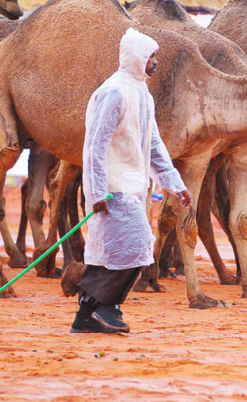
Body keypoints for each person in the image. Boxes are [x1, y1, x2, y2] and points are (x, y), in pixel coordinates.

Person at [70, 28, 192, 334]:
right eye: (150, 56)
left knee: (111, 254)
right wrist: (96, 190)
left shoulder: (143, 93)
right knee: (137, 246)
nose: (154, 61)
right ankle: (108, 309)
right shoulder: (114, 92)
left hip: (133, 185)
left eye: (155, 56)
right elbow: (96, 144)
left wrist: (174, 184)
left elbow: (153, 145)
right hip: (112, 188)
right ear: (136, 57)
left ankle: (85, 318)